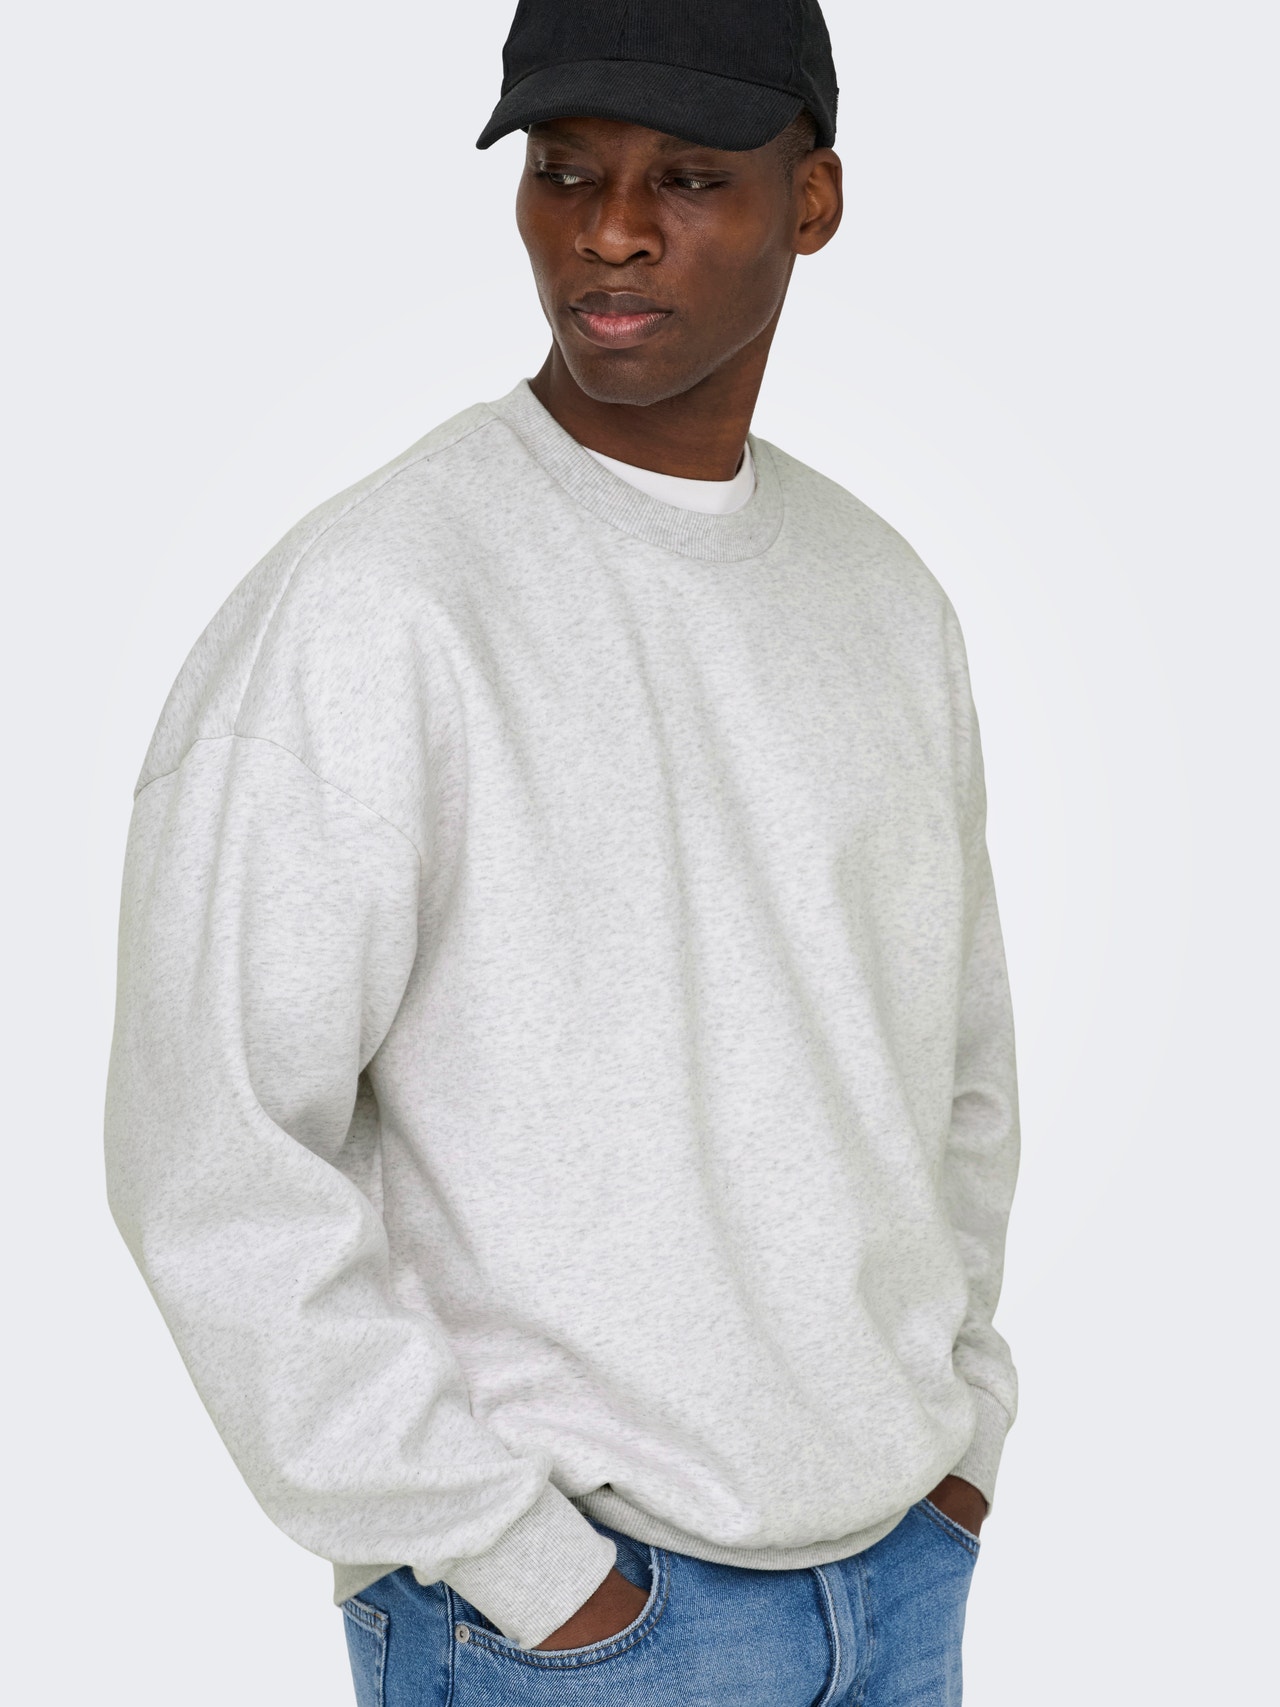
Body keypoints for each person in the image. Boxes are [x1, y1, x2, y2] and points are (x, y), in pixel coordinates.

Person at [104, 1, 1021, 1701]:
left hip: (899, 1584)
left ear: (812, 199)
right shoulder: (378, 604)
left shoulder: (884, 600)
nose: (611, 230)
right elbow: (212, 1152)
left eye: (689, 178)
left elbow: (954, 1070)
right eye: (566, 171)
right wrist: (525, 1569)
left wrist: (958, 1438)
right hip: (582, 1628)